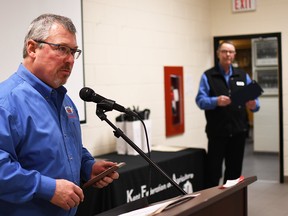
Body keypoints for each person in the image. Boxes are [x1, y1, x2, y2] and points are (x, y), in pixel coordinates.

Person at [0, 14, 119, 216]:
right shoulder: (6, 101)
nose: (70, 60)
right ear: (32, 48)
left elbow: (70, 147)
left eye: (74, 52)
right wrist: (48, 188)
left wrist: (88, 167)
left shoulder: (65, 101)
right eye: (62, 49)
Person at [195, 40, 260, 188]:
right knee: (213, 173)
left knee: (234, 174)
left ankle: (231, 206)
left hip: (238, 133)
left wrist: (254, 104)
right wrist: (215, 101)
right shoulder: (209, 76)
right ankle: (210, 207)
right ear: (218, 54)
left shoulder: (242, 76)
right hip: (217, 133)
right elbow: (200, 100)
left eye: (231, 52)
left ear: (234, 55)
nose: (228, 54)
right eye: (224, 51)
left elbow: (256, 103)